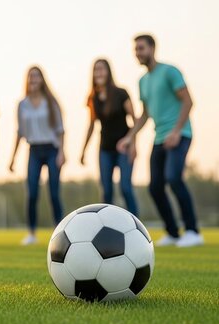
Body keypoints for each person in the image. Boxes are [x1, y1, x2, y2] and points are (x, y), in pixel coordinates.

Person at [118, 34, 204, 247]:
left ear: (152, 48)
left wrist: (175, 132)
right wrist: (130, 137)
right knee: (155, 187)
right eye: (135, 49)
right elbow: (145, 114)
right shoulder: (142, 81)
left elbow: (188, 101)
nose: (138, 53)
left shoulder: (170, 72)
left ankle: (193, 231)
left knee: (174, 178)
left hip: (180, 134)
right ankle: (173, 233)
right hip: (159, 138)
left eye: (141, 48)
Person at [9, 66, 65, 245]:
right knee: (32, 193)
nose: (33, 79)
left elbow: (61, 130)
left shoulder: (51, 102)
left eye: (37, 76)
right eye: (30, 76)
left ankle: (60, 233)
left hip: (52, 149)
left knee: (54, 193)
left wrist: (62, 152)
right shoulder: (22, 104)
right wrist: (12, 159)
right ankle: (31, 233)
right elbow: (19, 132)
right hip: (33, 149)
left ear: (42, 79)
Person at [80, 59, 139, 216]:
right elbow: (91, 125)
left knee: (125, 188)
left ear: (108, 72)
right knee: (106, 191)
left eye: (102, 69)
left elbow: (135, 120)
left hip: (124, 147)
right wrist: (83, 150)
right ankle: (107, 225)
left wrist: (133, 145)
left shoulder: (121, 93)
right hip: (105, 149)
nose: (99, 72)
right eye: (96, 69)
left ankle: (137, 227)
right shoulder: (93, 98)